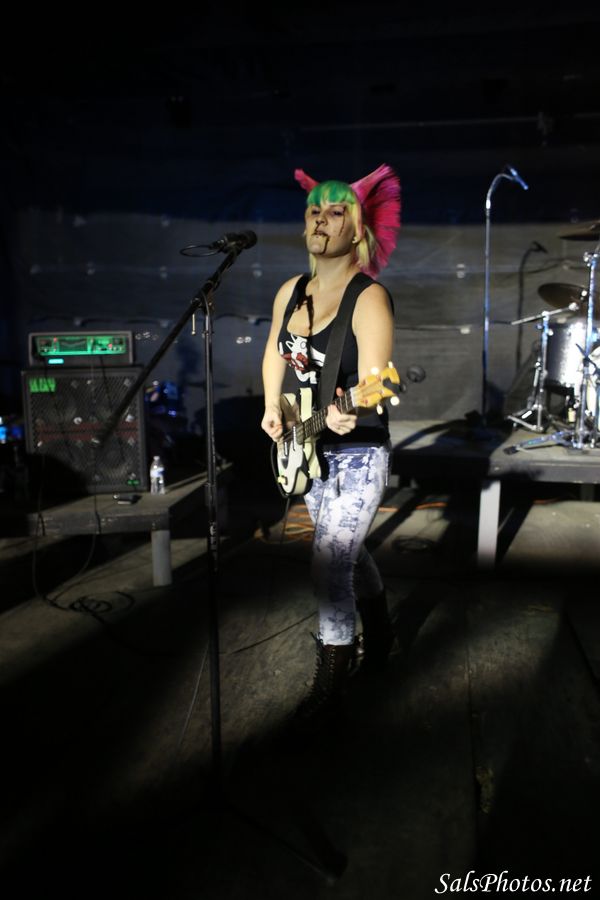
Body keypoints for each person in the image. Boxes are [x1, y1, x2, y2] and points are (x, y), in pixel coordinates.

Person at [261, 164, 402, 728]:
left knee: (327, 563)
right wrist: (271, 407)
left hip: (358, 452)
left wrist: (355, 408)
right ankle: (383, 633)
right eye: (314, 210)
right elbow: (274, 353)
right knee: (346, 555)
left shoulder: (368, 298)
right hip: (306, 444)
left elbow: (375, 382)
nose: (321, 219)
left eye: (336, 211)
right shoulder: (291, 291)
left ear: (358, 228)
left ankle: (330, 685)